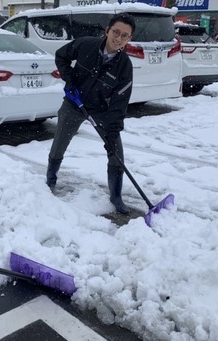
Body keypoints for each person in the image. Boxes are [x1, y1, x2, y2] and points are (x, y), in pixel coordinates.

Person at [46, 13, 136, 215]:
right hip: (74, 103)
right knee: (60, 142)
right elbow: (61, 55)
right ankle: (50, 178)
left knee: (116, 153)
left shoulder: (124, 67)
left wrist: (112, 133)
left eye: (125, 36)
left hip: (101, 110)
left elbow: (119, 104)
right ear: (107, 31)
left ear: (129, 39)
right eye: (116, 32)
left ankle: (116, 195)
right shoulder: (86, 45)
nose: (119, 38)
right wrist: (69, 80)